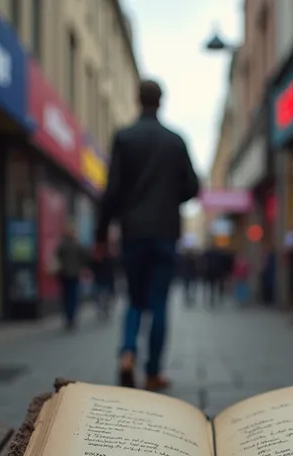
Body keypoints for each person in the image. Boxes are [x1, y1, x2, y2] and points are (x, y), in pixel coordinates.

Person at [95, 79, 199, 390]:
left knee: (134, 300)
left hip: (133, 232)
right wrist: (169, 199)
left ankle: (127, 354)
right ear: (161, 101)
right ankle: (153, 372)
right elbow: (193, 187)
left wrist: (101, 234)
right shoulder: (175, 140)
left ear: (137, 99)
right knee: (159, 303)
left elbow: (111, 191)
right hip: (165, 233)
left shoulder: (124, 138)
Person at [55, 221, 89, 330]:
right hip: (74, 274)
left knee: (65, 296)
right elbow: (85, 257)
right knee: (73, 296)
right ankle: (72, 318)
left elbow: (57, 257)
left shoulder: (62, 245)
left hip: (63, 273)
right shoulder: (77, 245)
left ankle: (68, 317)